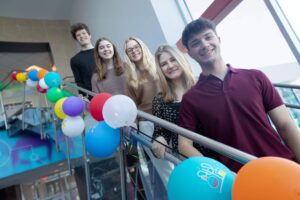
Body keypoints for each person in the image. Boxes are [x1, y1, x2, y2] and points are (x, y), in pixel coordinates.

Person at [178, 18, 300, 172]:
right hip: (240, 179)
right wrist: (222, 176)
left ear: (219, 40)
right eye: (195, 43)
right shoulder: (190, 99)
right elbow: (184, 145)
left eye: (208, 37)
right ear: (189, 53)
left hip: (283, 166)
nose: (204, 44)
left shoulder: (256, 77)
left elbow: (285, 125)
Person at [151, 44, 195, 159]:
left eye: (173, 60)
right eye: (164, 64)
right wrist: (159, 139)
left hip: (216, 154)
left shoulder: (200, 87)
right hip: (185, 161)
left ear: (181, 60)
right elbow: (160, 131)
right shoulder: (159, 100)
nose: (170, 66)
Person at [124, 37, 161, 135]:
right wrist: (133, 122)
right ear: (127, 55)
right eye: (130, 50)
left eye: (136, 47)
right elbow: (132, 104)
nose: (134, 51)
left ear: (142, 47)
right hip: (146, 120)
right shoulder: (130, 78)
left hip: (167, 116)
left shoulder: (159, 65)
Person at [70, 23, 96, 98]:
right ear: (76, 39)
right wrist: (83, 97)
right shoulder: (75, 60)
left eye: (84, 33)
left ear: (89, 35)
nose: (82, 36)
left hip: (109, 90)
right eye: (78, 35)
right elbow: (79, 82)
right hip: (92, 96)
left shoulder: (101, 52)